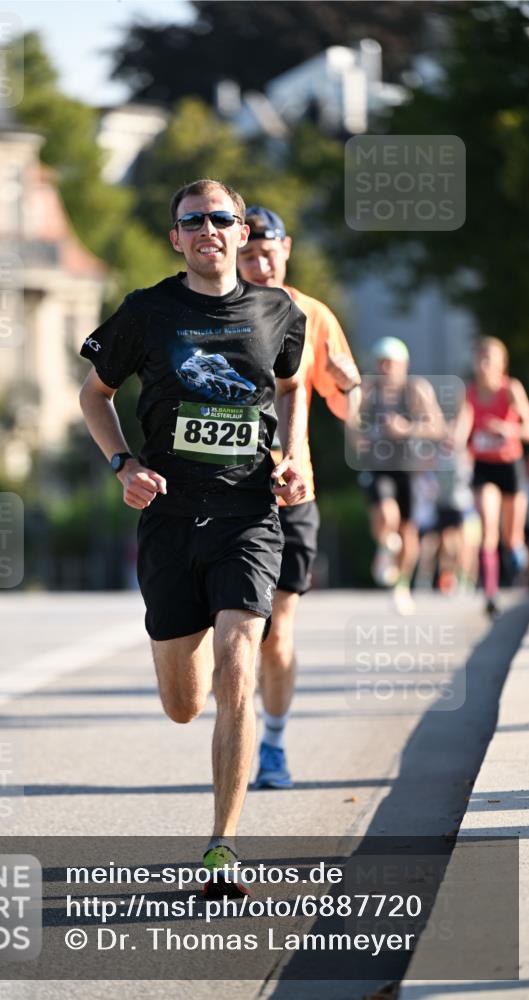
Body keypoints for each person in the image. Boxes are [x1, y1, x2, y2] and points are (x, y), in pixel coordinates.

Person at [78, 179, 307, 894]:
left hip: (247, 516)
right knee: (183, 704)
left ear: (242, 232)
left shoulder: (277, 311)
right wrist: (123, 464)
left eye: (220, 218)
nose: (208, 229)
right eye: (193, 221)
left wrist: (293, 455)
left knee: (240, 666)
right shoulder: (147, 312)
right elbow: (94, 394)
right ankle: (196, 648)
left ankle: (223, 847)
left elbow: (291, 384)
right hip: (170, 520)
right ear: (176, 238)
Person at [236, 206, 360, 790]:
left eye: (269, 254)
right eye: (249, 255)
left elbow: (348, 410)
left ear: (286, 250)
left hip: (292, 492)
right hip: (227, 494)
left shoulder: (313, 316)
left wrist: (349, 382)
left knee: (277, 631)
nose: (260, 265)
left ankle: (274, 744)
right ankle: (236, 731)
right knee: (237, 634)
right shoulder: (215, 310)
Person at [352, 337, 446, 615]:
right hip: (378, 465)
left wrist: (407, 428)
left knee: (408, 531)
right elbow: (350, 419)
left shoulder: (416, 389)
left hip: (409, 467)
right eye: (381, 362)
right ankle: (385, 545)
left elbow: (438, 427)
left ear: (403, 365)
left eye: (390, 363)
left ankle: (402, 586)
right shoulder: (368, 389)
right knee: (385, 515)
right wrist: (358, 438)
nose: (385, 368)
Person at [454, 336, 529, 618]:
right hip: (484, 467)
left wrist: (507, 429)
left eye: (489, 358)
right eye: (480, 358)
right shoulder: (469, 392)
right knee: (488, 529)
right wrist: (455, 441)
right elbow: (463, 425)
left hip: (510, 466)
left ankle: (519, 564)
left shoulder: (511, 389)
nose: (484, 364)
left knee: (512, 538)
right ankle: (490, 593)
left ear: (502, 363)